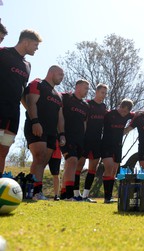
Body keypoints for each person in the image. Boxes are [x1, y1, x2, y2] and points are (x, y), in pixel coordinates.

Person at [0, 29, 42, 178]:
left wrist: (32, 117)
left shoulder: (27, 65)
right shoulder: (3, 53)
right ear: (26, 42)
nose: (37, 48)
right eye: (35, 45)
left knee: (4, 150)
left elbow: (23, 92)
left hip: (13, 113)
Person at [24, 65, 65, 200]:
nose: (62, 78)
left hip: (51, 132)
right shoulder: (38, 84)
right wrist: (35, 121)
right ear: (51, 73)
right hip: (37, 126)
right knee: (39, 157)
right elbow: (30, 102)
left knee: (43, 161)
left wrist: (62, 134)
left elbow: (60, 116)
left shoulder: (58, 95)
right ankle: (33, 191)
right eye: (60, 74)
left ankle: (36, 190)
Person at [74, 84, 108, 203]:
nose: (104, 95)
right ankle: (76, 194)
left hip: (97, 141)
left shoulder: (104, 107)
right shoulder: (88, 104)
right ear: (97, 92)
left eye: (105, 93)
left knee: (93, 168)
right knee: (79, 166)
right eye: (102, 92)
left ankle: (85, 196)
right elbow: (83, 121)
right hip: (85, 140)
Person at [60, 79, 89, 201]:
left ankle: (63, 194)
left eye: (88, 89)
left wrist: (84, 138)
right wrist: (61, 133)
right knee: (71, 161)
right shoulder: (66, 97)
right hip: (67, 136)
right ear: (77, 86)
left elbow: (84, 123)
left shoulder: (85, 106)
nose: (87, 90)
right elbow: (59, 113)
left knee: (71, 164)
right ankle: (69, 194)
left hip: (79, 139)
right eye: (85, 87)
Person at [101, 99, 135, 203]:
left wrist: (129, 128)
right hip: (106, 144)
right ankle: (106, 197)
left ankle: (109, 197)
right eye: (122, 110)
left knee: (114, 170)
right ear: (120, 106)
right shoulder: (109, 114)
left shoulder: (128, 115)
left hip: (118, 146)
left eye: (126, 112)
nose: (123, 113)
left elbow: (136, 115)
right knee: (109, 167)